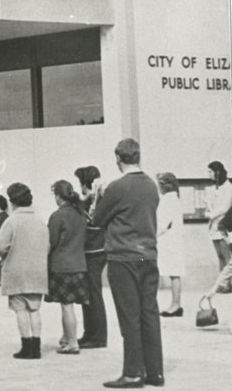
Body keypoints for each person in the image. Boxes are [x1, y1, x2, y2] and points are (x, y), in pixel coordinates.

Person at [92, 139, 164, 388]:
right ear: (138, 157)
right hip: (148, 255)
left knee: (129, 317)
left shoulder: (116, 188)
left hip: (124, 258)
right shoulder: (151, 186)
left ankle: (133, 372)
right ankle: (155, 372)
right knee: (149, 313)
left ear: (118, 159)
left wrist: (98, 194)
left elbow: (96, 220)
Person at [0, 182, 48, 360]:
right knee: (35, 309)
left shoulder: (11, 221)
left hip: (17, 271)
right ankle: (36, 347)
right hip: (38, 272)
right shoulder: (40, 220)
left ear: (12, 202)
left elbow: (0, 248)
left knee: (20, 310)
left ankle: (26, 346)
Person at [46, 180, 90, 355]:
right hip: (79, 264)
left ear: (58, 196)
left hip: (62, 266)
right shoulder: (81, 214)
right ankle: (66, 337)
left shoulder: (57, 216)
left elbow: (52, 241)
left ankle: (72, 342)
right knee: (69, 305)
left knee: (66, 306)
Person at [75, 165, 108, 349]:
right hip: (95, 251)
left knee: (94, 295)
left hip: (94, 251)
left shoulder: (95, 202)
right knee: (89, 294)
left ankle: (98, 336)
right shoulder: (91, 201)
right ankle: (89, 333)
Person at [156, 173, 185, 317]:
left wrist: (152, 236)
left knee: (173, 273)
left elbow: (162, 224)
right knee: (175, 274)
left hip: (169, 242)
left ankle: (175, 305)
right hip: (173, 241)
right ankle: (176, 303)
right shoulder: (174, 198)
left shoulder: (168, 200)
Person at [206, 161, 232, 270]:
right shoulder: (212, 188)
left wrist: (211, 214)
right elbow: (209, 205)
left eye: (210, 172)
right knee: (220, 256)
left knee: (227, 257)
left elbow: (225, 207)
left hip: (224, 226)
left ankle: (228, 284)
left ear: (218, 172)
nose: (209, 174)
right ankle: (223, 284)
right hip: (214, 227)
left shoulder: (229, 187)